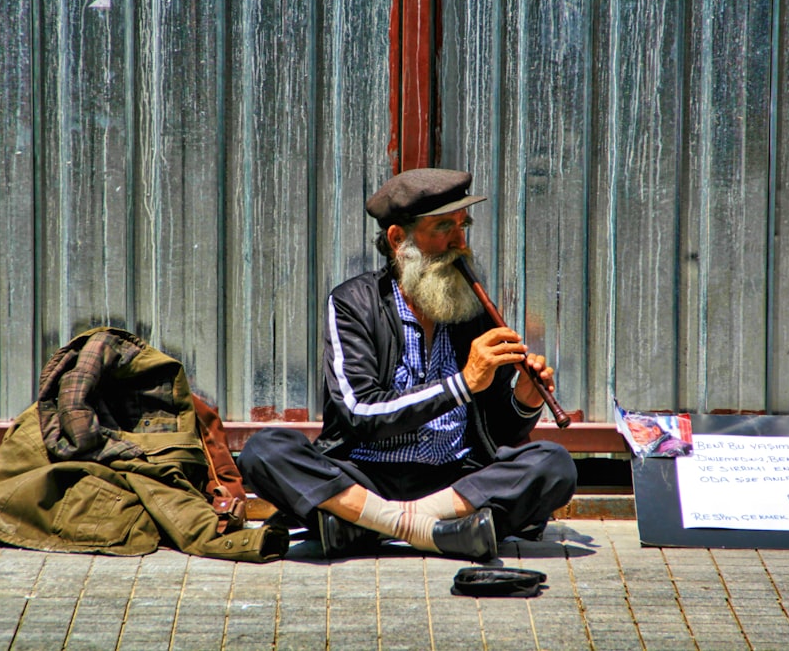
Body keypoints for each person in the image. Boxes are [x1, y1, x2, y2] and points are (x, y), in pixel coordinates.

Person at [237, 168, 576, 561]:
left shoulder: (473, 308)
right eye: (443, 227)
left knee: (554, 464)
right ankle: (436, 532)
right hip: (364, 474)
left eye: (462, 226)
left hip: (453, 479)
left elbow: (498, 434)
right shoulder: (354, 303)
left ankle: (367, 526)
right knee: (264, 450)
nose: (459, 242)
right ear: (400, 239)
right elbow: (359, 411)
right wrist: (462, 384)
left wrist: (525, 400)